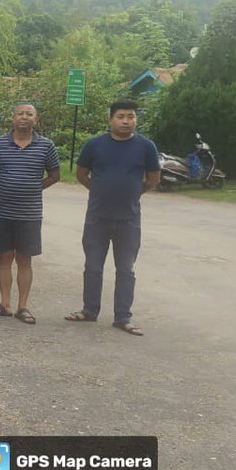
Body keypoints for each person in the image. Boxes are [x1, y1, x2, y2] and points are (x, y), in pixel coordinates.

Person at [65, 99, 161, 336]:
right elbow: (81, 174)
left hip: (129, 219)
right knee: (93, 267)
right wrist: (100, 191)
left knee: (126, 270)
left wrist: (133, 193)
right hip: (97, 218)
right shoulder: (94, 145)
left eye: (131, 116)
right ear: (110, 120)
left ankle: (122, 317)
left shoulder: (146, 147)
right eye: (121, 117)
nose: (126, 121)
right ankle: (89, 311)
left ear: (136, 120)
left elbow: (153, 178)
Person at [0, 102, 61, 324]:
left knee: (24, 260)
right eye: (20, 113)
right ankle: (4, 304)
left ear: (36, 119)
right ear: (13, 117)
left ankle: (22, 307)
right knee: (4, 257)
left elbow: (55, 175)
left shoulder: (46, 146)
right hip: (1, 211)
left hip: (29, 214)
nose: (24, 117)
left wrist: (34, 187)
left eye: (29, 114)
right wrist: (3, 185)